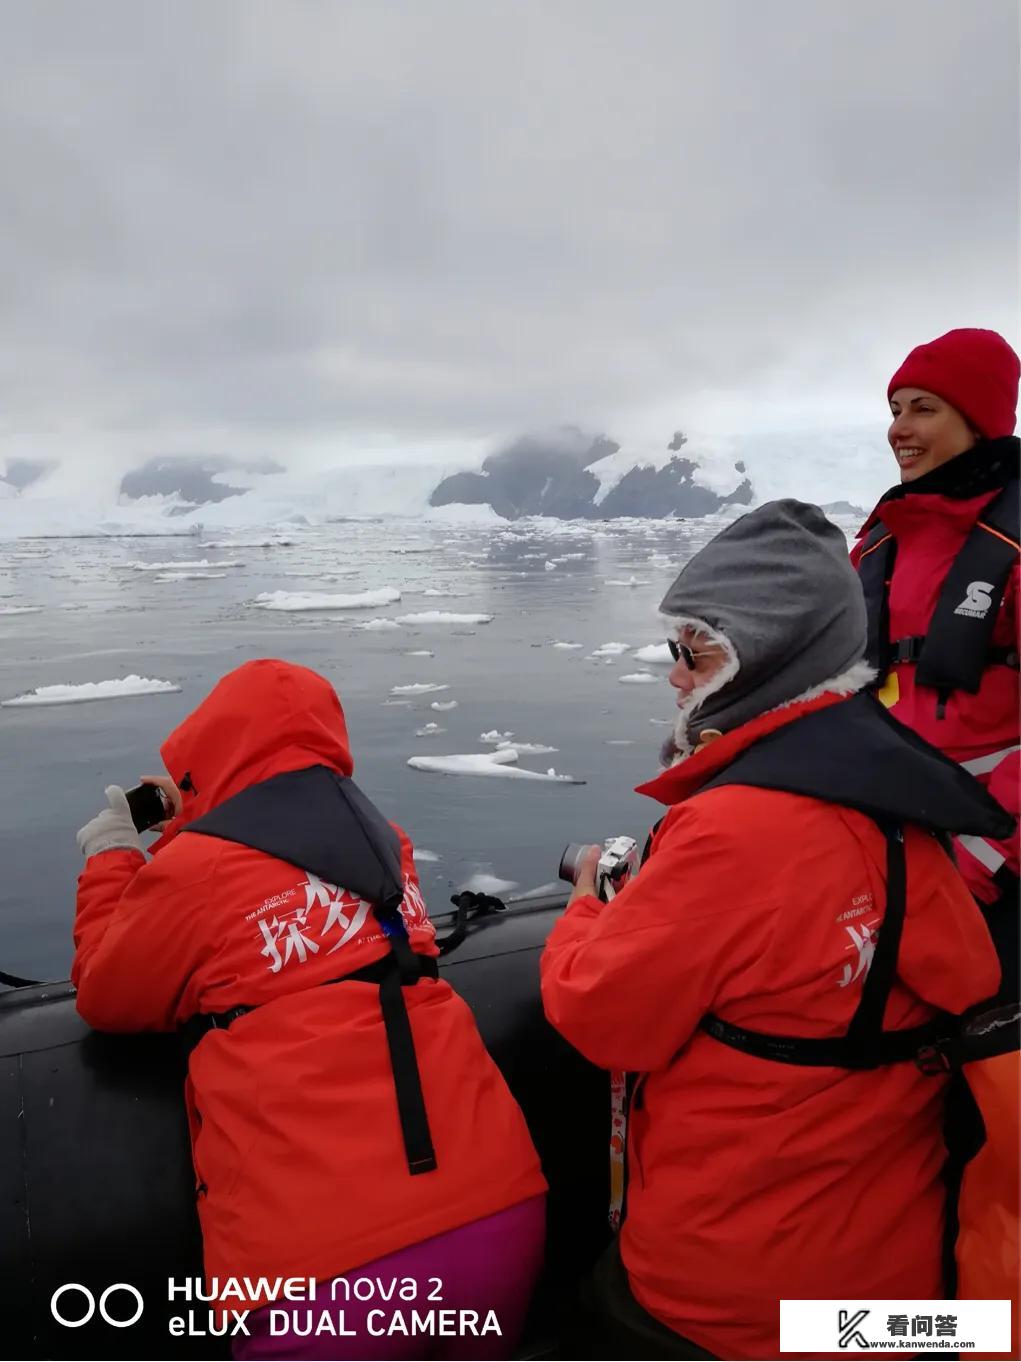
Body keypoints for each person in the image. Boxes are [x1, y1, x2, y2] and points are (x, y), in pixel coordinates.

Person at [540, 500, 1010, 1361]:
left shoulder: (736, 829)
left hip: (729, 1290)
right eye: (673, 649)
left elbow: (601, 1015)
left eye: (696, 649)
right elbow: (965, 978)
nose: (676, 675)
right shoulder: (898, 799)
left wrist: (590, 903)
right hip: (883, 1286)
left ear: (771, 653)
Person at [72, 659, 546, 1361]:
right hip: (497, 1218)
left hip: (329, 1272)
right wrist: (203, 814)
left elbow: (107, 992)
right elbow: (270, 881)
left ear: (209, 753)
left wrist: (115, 855)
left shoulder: (194, 872)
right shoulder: (387, 846)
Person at [851, 328, 1020, 1351]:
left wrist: (993, 845)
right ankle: (893, 1324)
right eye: (895, 405)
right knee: (886, 1111)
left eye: (922, 407)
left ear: (978, 417)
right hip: (888, 858)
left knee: (997, 1130)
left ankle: (991, 1335)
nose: (898, 427)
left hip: (995, 869)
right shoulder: (876, 539)